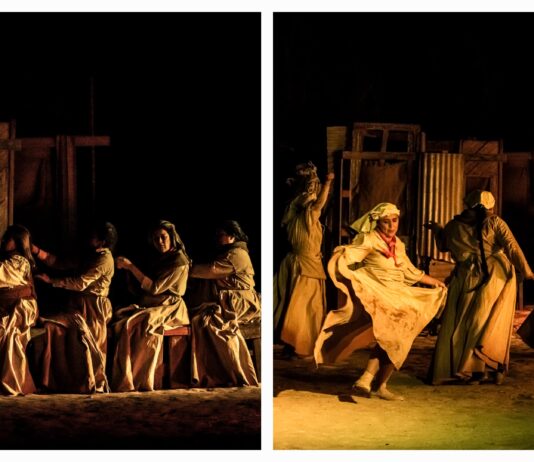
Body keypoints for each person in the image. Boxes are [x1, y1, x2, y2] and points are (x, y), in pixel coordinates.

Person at [314, 203, 447, 400]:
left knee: (399, 340)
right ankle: (367, 380)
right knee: (392, 337)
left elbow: (410, 272)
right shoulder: (368, 239)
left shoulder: (398, 244)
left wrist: (435, 281)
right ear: (377, 222)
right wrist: (346, 261)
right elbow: (350, 257)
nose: (391, 226)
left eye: (395, 220)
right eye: (386, 222)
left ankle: (379, 385)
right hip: (381, 296)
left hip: (399, 295)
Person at [426, 190, 534, 385]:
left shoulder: (453, 225)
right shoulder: (494, 222)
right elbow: (512, 247)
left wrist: (437, 229)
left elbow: (443, 245)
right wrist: (526, 271)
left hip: (465, 276)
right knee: (490, 321)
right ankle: (485, 368)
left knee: (462, 322)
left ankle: (470, 369)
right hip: (494, 275)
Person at [32, 221, 117, 393]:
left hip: (94, 307)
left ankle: (92, 382)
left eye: (94, 236)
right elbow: (58, 262)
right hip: (78, 303)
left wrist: (52, 281)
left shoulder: (104, 259)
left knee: (90, 342)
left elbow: (80, 283)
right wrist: (35, 250)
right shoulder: (89, 254)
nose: (89, 238)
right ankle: (68, 382)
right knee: (62, 334)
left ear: (102, 241)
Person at [110, 220, 190, 392]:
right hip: (155, 304)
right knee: (122, 321)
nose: (160, 241)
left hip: (170, 307)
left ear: (172, 237)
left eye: (163, 237)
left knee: (143, 323)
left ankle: (142, 378)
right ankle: (126, 377)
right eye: (155, 238)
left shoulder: (179, 260)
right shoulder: (161, 259)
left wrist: (131, 267)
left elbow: (154, 288)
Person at [189, 220, 261, 387]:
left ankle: (234, 371)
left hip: (241, 301)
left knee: (217, 324)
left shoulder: (237, 254)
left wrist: (189, 269)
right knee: (201, 320)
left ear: (232, 236)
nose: (217, 238)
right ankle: (215, 370)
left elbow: (212, 270)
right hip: (229, 300)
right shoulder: (227, 252)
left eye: (220, 235)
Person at [274, 162, 334, 359]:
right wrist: (327, 183)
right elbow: (317, 203)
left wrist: (323, 185)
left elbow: (317, 203)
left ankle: (297, 344)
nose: (312, 191)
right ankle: (295, 344)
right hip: (302, 266)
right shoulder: (301, 216)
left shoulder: (300, 216)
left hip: (302, 265)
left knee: (302, 307)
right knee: (300, 307)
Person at [0, 225, 39, 395]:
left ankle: (13, 382)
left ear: (17, 242)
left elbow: (2, 274)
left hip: (22, 307)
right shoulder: (8, 259)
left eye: (7, 238)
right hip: (10, 306)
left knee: (8, 332)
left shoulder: (19, 262)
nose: (3, 241)